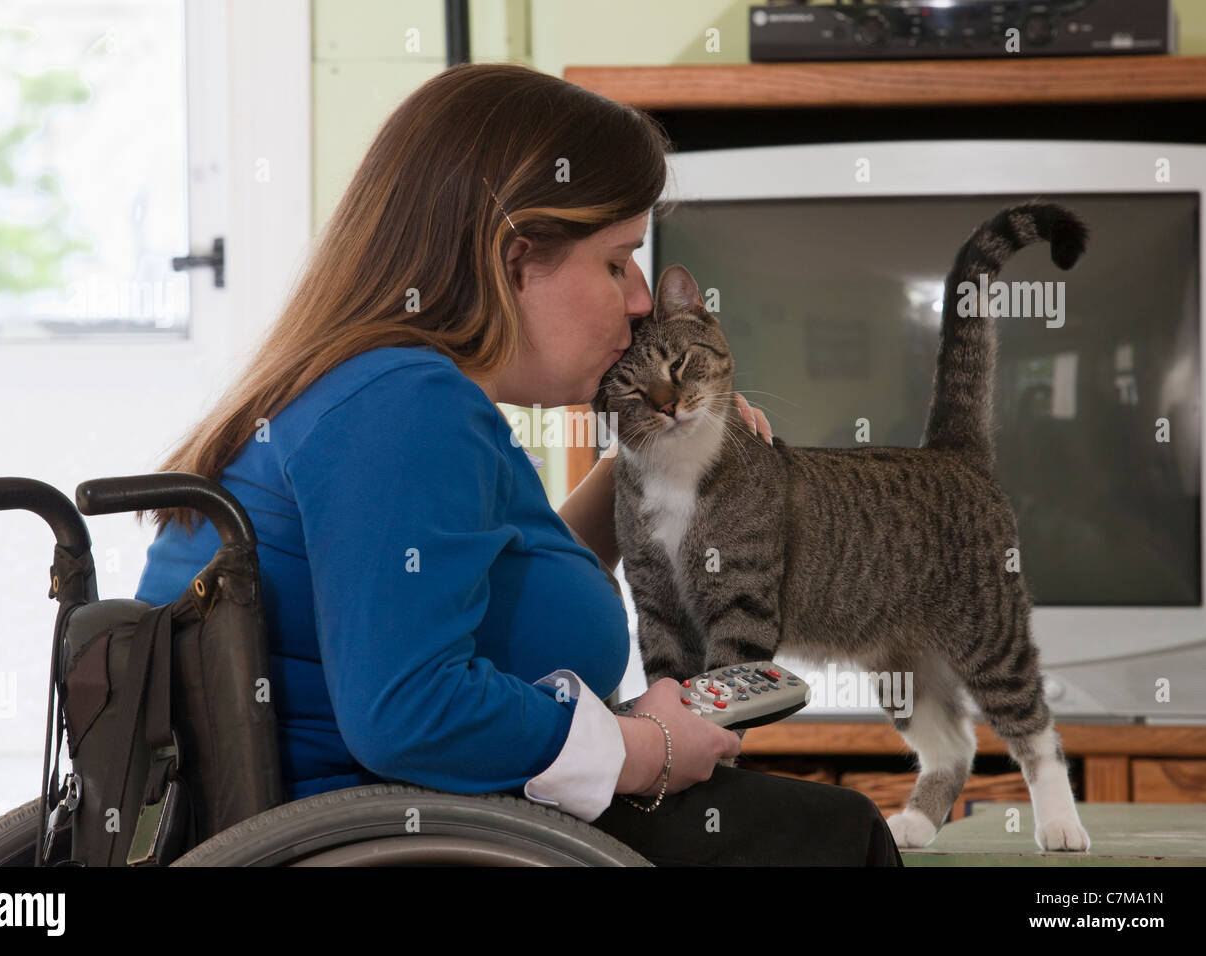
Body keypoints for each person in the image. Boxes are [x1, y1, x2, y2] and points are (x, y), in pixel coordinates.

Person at [133, 62, 902, 867]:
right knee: (837, 837)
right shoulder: (405, 403)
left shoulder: (384, 389)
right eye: (616, 261)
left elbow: (493, 586)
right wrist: (645, 748)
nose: (640, 299)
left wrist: (648, 466)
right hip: (396, 842)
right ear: (513, 259)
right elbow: (410, 711)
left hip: (409, 825)